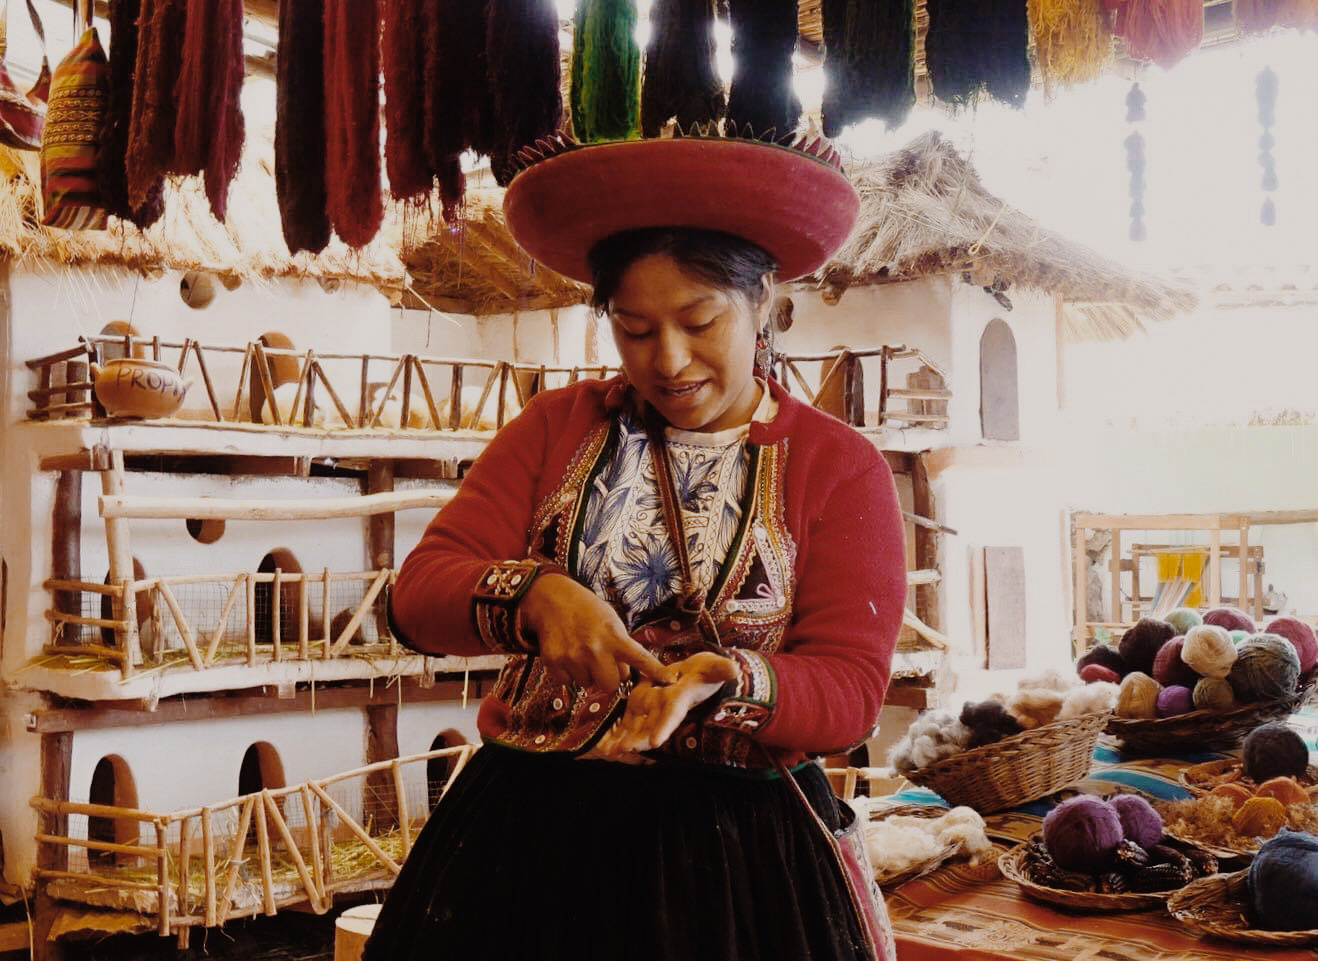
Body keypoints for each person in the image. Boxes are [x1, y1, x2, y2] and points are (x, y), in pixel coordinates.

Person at [365, 133, 906, 961]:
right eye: (634, 329)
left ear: (762, 298)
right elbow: (418, 595)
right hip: (525, 852)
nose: (670, 360)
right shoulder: (556, 429)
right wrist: (534, 597)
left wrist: (729, 678)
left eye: (699, 322)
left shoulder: (838, 467)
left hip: (742, 872)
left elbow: (850, 689)